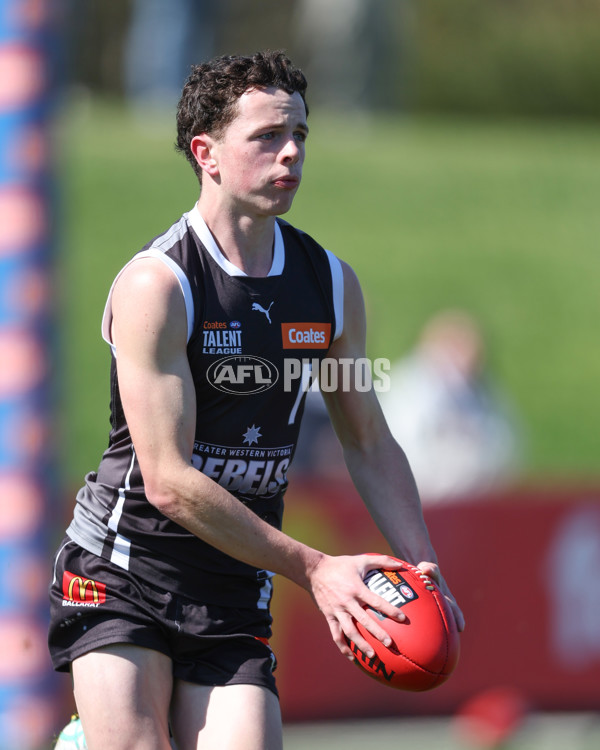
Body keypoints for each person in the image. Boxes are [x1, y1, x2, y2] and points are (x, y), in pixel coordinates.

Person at [48, 51, 464, 750]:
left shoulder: (329, 285)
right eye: (267, 136)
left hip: (234, 585)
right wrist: (315, 569)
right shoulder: (160, 285)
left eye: (300, 133)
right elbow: (171, 483)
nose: (292, 152)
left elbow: (367, 439)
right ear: (205, 152)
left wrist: (424, 566)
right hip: (125, 568)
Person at [379, 309, 522, 503]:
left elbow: (506, 446)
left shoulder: (485, 392)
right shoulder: (405, 389)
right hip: (422, 501)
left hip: (476, 502)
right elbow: (395, 448)